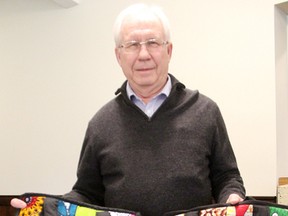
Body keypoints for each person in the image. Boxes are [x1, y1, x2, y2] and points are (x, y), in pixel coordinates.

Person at [11, 3, 245, 216]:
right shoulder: (100, 124)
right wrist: (46, 209)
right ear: (118, 55)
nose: (143, 55)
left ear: (169, 50)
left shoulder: (205, 111)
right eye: (132, 45)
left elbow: (227, 177)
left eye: (153, 43)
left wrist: (232, 197)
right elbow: (86, 193)